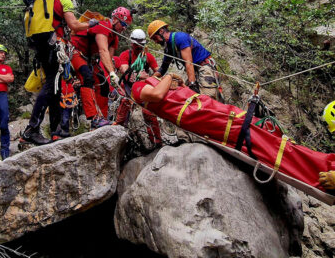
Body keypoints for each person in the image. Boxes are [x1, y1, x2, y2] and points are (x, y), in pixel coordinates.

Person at [130, 75, 335, 193]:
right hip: (206, 115)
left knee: (268, 137)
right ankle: (320, 168)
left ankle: (325, 165)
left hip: (212, 111)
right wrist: (167, 78)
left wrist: (177, 82)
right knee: (263, 140)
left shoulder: (159, 83)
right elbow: (156, 95)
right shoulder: (139, 86)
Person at [22, 0, 97, 145]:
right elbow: (74, 25)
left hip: (44, 45)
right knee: (50, 86)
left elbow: (65, 27)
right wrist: (90, 24)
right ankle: (31, 129)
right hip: (53, 47)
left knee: (55, 89)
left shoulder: (50, 2)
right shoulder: (63, 0)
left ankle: (56, 131)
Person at [70, 6, 132, 129]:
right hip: (75, 51)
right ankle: (94, 118)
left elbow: (108, 58)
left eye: (126, 26)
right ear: (115, 20)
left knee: (103, 85)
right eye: (123, 24)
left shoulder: (114, 37)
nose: (124, 28)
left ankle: (102, 118)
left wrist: (112, 75)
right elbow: (103, 50)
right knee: (87, 77)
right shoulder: (103, 27)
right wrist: (113, 74)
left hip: (88, 58)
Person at [147, 20, 223, 101]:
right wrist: (150, 80)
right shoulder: (169, 47)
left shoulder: (180, 38)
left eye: (155, 38)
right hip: (195, 70)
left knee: (207, 99)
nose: (155, 42)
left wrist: (192, 85)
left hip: (205, 67)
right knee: (185, 97)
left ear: (161, 31)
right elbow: (163, 68)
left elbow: (188, 62)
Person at [115, 29, 162, 147]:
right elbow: (124, 70)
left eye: (141, 45)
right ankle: (117, 130)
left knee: (149, 112)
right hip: (127, 87)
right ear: (132, 43)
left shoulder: (148, 57)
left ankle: (156, 140)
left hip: (142, 87)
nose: (140, 47)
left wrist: (150, 78)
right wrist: (135, 75)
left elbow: (158, 72)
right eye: (137, 45)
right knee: (125, 103)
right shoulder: (126, 55)